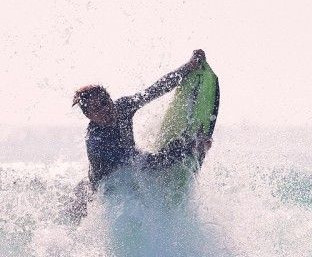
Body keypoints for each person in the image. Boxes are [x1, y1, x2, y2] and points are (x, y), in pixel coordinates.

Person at [68, 49, 211, 221]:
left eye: (105, 102)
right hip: (103, 188)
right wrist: (189, 147)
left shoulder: (123, 107)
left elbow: (155, 90)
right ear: (88, 116)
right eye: (96, 108)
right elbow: (148, 163)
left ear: (110, 98)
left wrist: (188, 67)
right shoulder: (98, 142)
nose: (104, 109)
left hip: (127, 166)